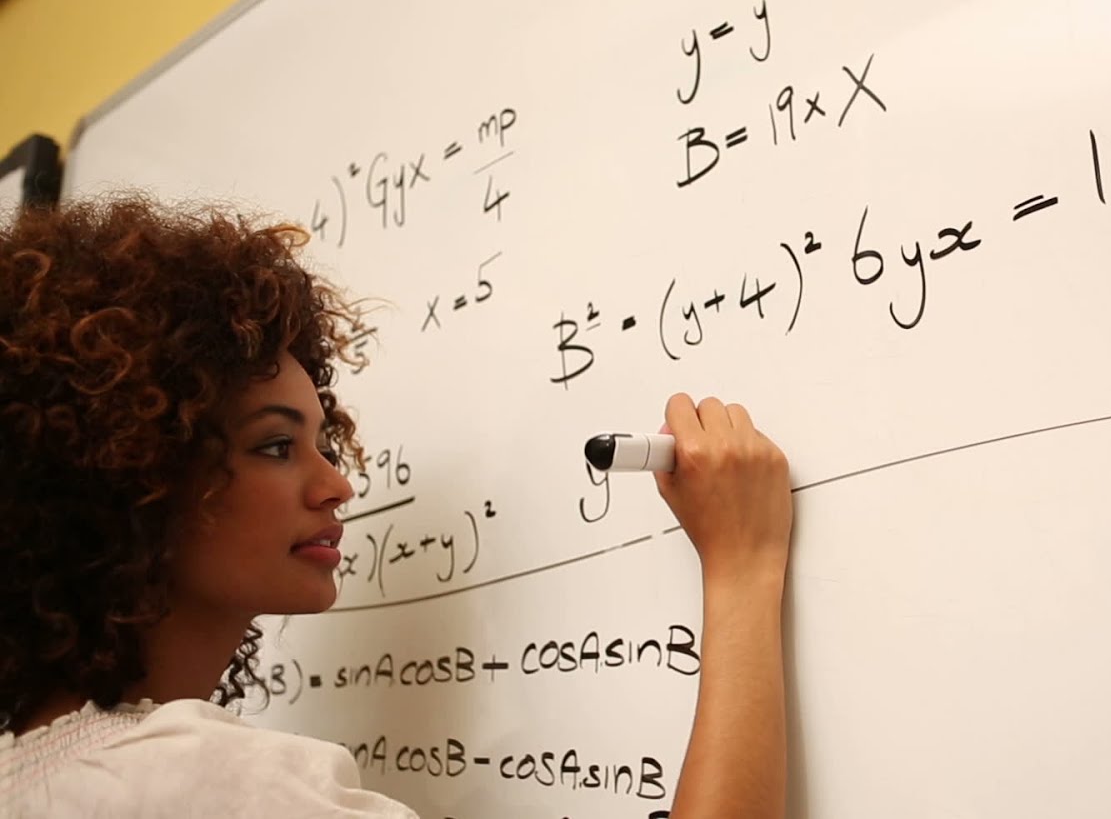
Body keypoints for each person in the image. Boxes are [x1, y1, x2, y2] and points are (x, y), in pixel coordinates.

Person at [0, 195, 795, 817]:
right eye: (275, 446)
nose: (336, 485)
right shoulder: (190, 782)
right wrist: (743, 568)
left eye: (322, 442)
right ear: (132, 471)